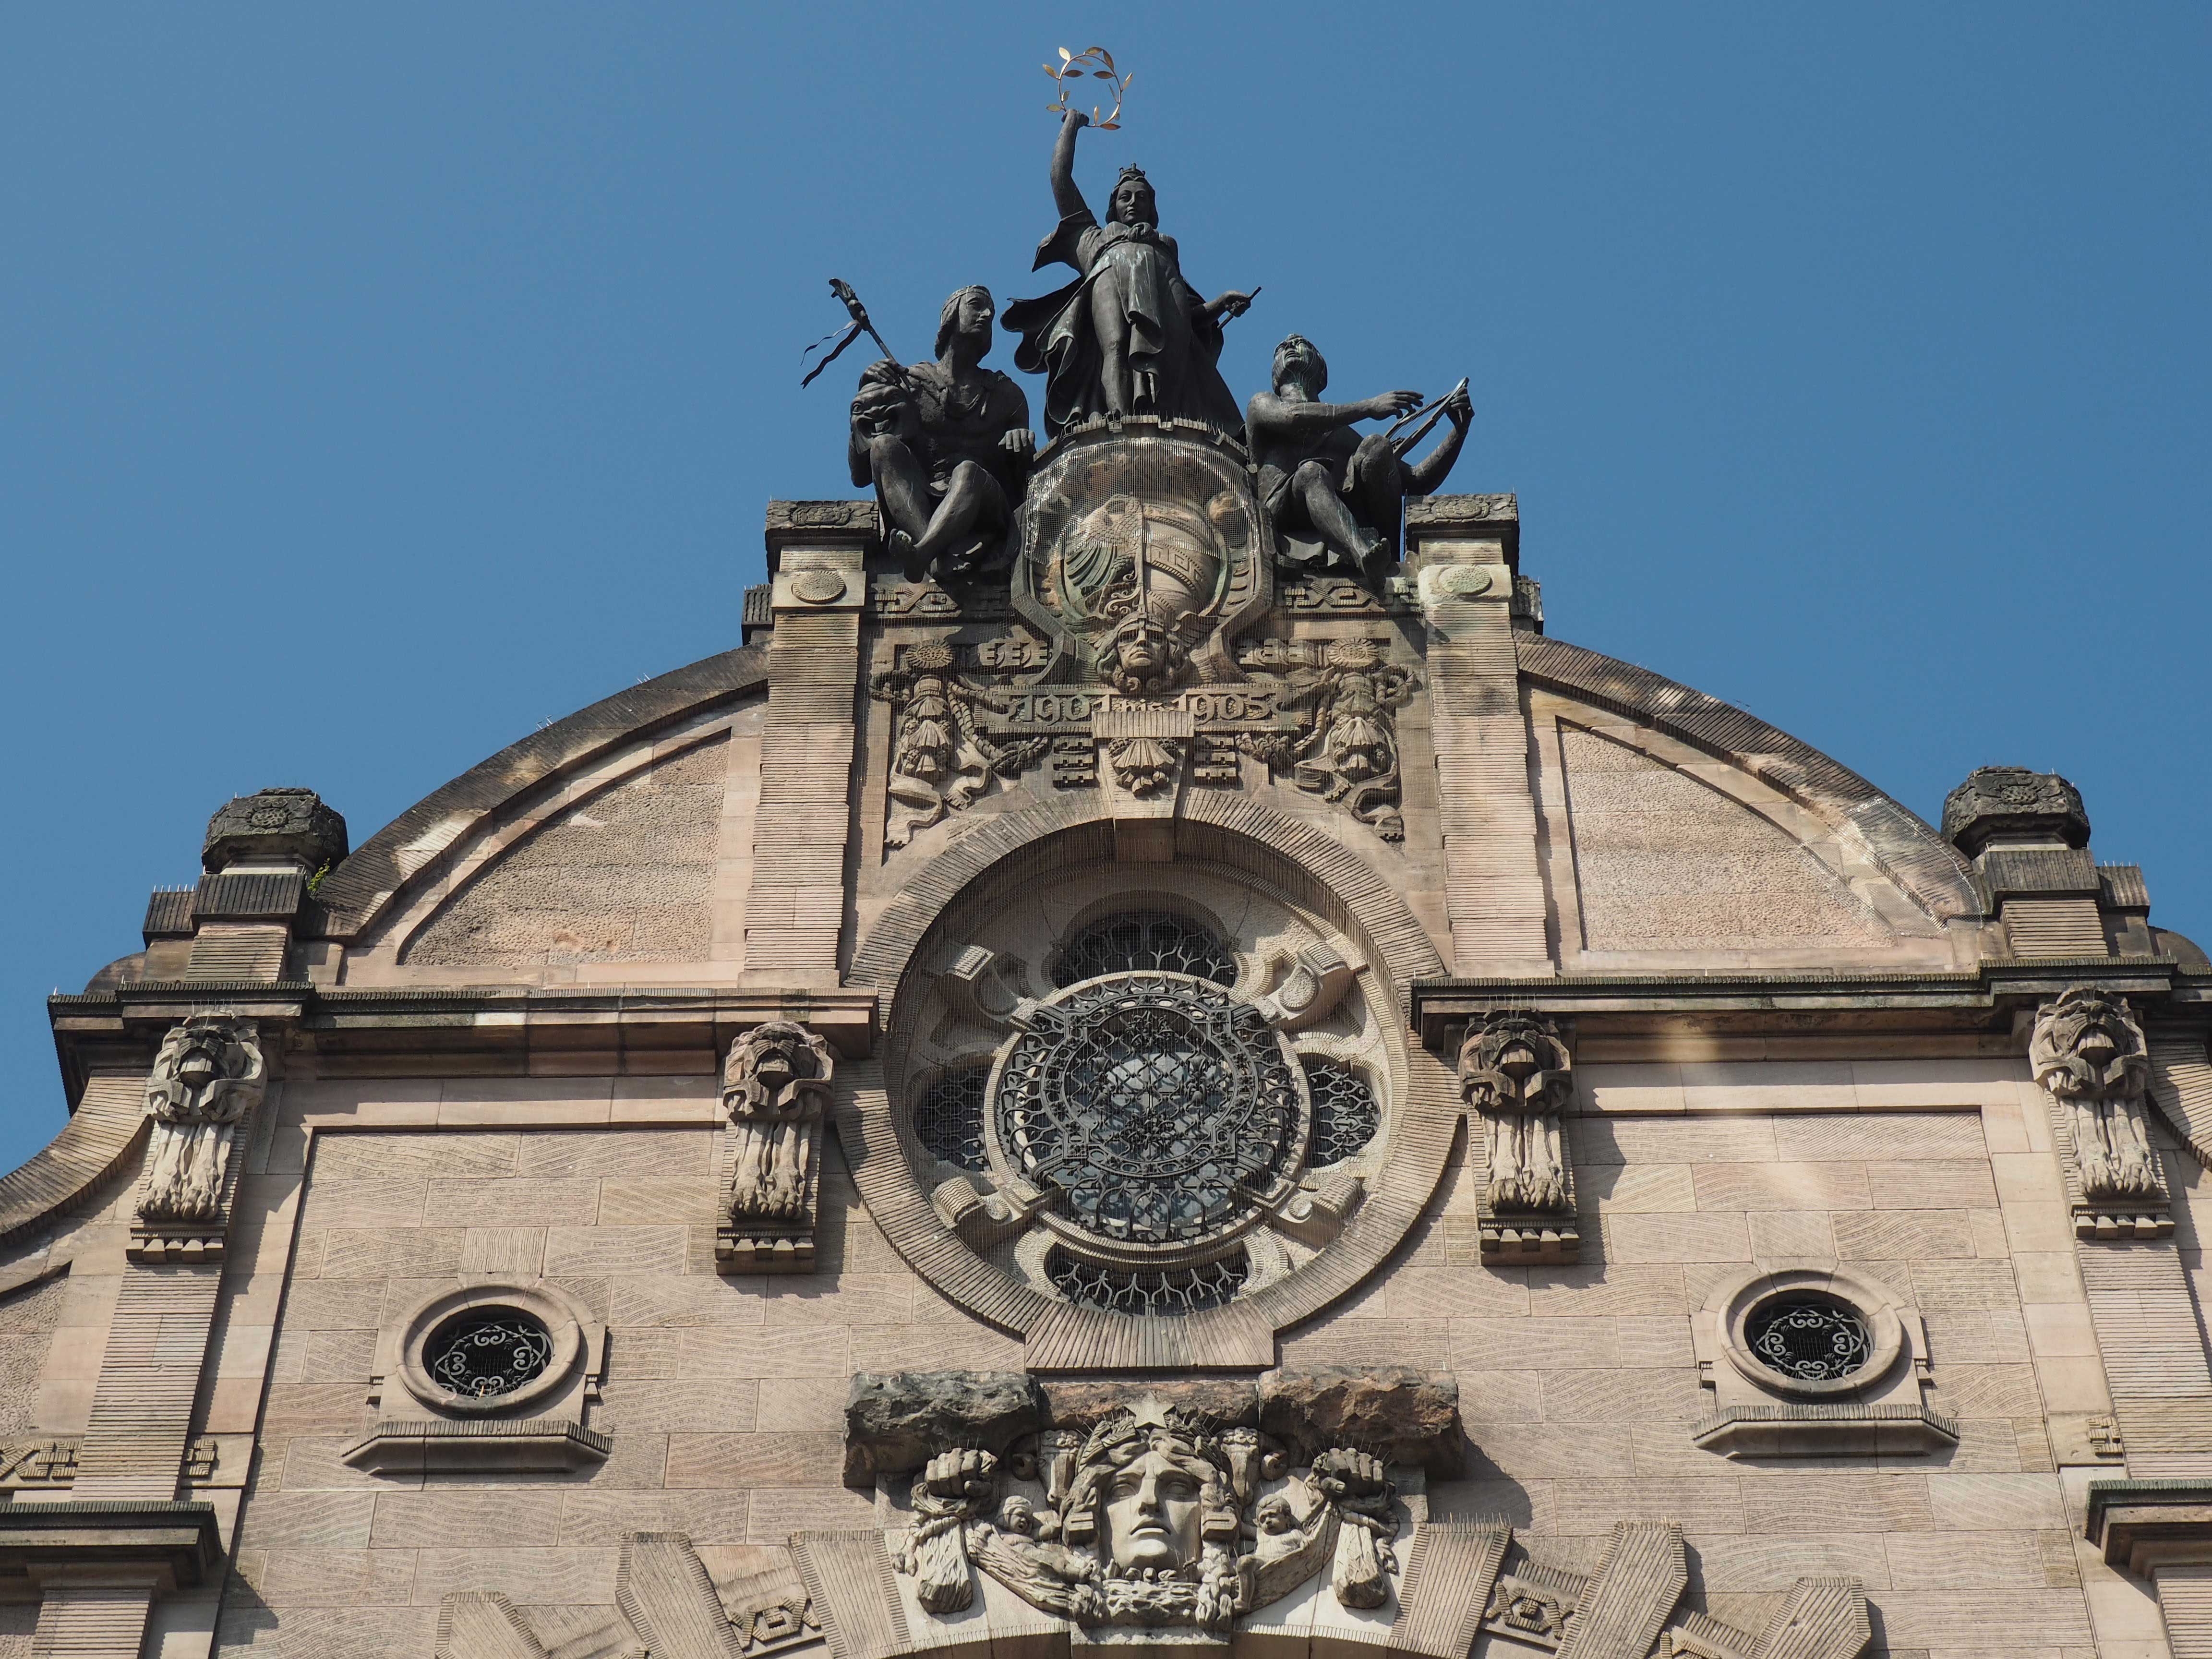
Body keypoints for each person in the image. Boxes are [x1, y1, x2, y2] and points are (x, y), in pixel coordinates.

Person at [1002, 109, 1254, 437]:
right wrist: (1072, 125)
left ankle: (1168, 426)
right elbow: (1060, 179)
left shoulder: (1167, 247)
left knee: (1174, 355)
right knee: (1116, 347)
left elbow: (1191, 322)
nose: (1133, 202)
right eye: (1125, 197)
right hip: (1107, 275)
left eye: (1142, 197)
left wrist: (1221, 302)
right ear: (1114, 205)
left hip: (1166, 282)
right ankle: (1117, 421)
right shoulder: (1094, 239)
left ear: (1153, 206)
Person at [1245, 334, 1471, 579]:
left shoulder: (1341, 433)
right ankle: (1363, 554)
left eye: (1302, 344)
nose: (1289, 345)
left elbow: (1417, 479)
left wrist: (1459, 432)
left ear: (1322, 373)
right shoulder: (1262, 403)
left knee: (1377, 447)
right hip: (1280, 509)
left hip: (1329, 498)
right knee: (1311, 472)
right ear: (1274, 376)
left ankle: (1386, 556)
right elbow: (1293, 417)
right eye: (1281, 348)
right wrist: (1368, 407)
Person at [848, 286, 1034, 579]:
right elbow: (861, 475)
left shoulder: (1006, 396)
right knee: (884, 446)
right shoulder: (912, 384)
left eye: (991, 312)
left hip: (984, 501)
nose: (986, 315)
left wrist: (1022, 442)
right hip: (925, 498)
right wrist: (866, 396)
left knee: (967, 471)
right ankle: (935, 556)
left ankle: (922, 554)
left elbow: (1025, 482)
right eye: (976, 306)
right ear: (951, 316)